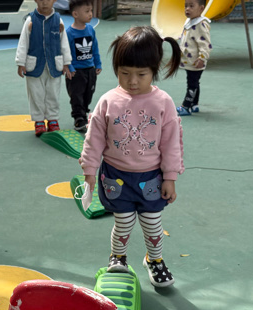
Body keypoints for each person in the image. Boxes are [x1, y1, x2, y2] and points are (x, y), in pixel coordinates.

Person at [79, 26, 184, 288]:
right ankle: (118, 257)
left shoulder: (163, 102)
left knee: (152, 224)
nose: (132, 81)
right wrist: (89, 171)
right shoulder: (108, 101)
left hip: (151, 177)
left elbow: (171, 143)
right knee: (123, 222)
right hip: (116, 176)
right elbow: (94, 139)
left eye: (141, 74)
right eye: (124, 73)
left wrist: (170, 177)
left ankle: (155, 260)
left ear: (154, 70)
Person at [16, 0, 72, 135]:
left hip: (54, 65)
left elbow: (64, 42)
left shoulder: (58, 21)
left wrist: (66, 62)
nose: (45, 3)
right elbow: (23, 42)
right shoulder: (30, 21)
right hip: (34, 65)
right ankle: (39, 120)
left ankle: (53, 119)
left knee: (53, 93)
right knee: (36, 93)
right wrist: (20, 62)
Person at [65, 0, 103, 131]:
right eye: (87, 11)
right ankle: (78, 118)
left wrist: (97, 64)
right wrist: (69, 67)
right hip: (76, 71)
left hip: (90, 69)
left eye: (91, 10)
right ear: (75, 14)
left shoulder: (90, 30)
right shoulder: (69, 33)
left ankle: (84, 113)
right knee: (76, 95)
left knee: (88, 93)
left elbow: (95, 48)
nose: (90, 14)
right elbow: (66, 52)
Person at [176, 0, 211, 116]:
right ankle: (194, 105)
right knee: (194, 82)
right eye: (186, 6)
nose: (187, 9)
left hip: (196, 61)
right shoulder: (190, 22)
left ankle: (186, 106)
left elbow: (205, 44)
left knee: (192, 83)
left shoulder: (201, 24)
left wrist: (202, 58)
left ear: (201, 8)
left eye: (191, 6)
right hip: (190, 61)